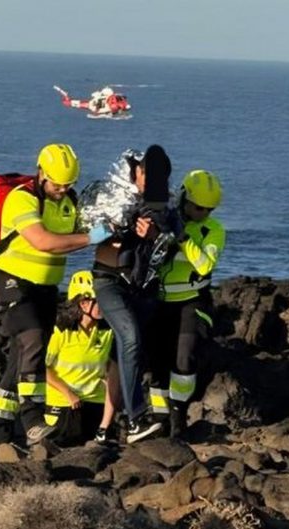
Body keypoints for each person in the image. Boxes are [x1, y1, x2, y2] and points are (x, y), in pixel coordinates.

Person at [0, 144, 111, 445]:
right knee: (34, 339)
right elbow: (43, 241)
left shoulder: (68, 201)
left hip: (45, 289)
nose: (63, 189)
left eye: (69, 184)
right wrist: (90, 238)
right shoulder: (22, 199)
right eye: (57, 184)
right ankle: (32, 419)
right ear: (41, 173)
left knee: (21, 356)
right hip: (12, 282)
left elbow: (76, 234)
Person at [91, 144, 176, 444]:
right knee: (130, 339)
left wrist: (156, 235)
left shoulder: (165, 206)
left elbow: (174, 241)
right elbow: (88, 229)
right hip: (109, 281)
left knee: (124, 353)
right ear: (136, 171)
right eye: (147, 176)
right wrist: (122, 228)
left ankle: (107, 428)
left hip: (142, 289)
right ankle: (136, 418)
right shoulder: (111, 194)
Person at [148, 170, 225, 439]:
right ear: (183, 198)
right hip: (159, 303)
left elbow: (204, 265)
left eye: (208, 209)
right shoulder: (165, 219)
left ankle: (178, 413)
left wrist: (182, 237)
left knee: (184, 360)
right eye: (198, 207)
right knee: (157, 362)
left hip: (193, 302)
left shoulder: (213, 230)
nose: (203, 213)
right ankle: (159, 417)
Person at [44, 270, 121, 446]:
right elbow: (43, 368)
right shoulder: (61, 331)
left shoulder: (108, 331)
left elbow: (111, 370)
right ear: (84, 304)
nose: (106, 306)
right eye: (100, 301)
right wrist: (68, 393)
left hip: (96, 402)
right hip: (64, 403)